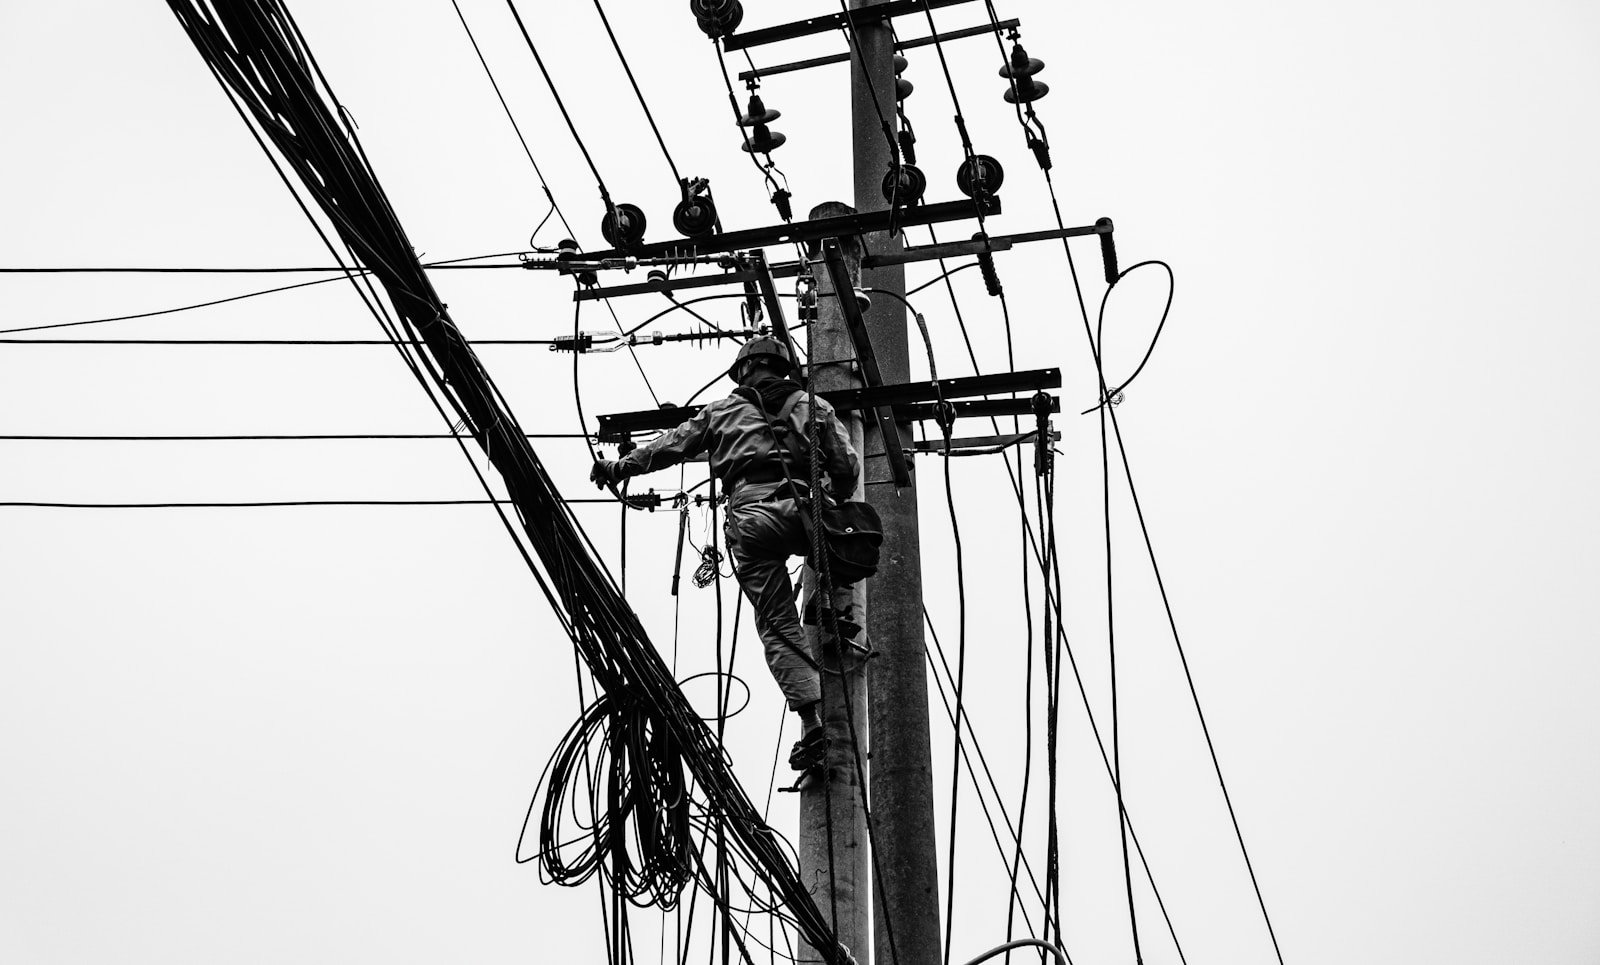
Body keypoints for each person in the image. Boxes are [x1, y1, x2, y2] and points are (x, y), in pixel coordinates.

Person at [590, 336, 860, 770]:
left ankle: (812, 727)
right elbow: (847, 466)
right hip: (806, 506)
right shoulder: (815, 406)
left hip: (751, 515)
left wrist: (620, 467)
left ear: (745, 370)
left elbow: (668, 447)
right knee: (843, 538)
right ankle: (829, 598)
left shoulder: (721, 411)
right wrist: (833, 498)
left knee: (776, 622)